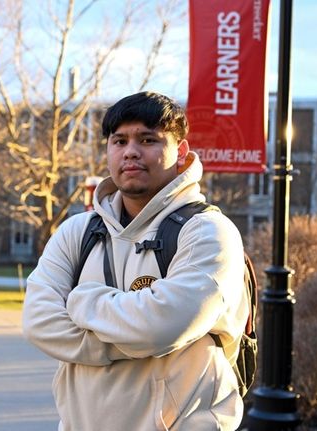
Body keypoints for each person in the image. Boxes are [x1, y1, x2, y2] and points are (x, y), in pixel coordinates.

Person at [22, 91, 248, 430]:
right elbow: (39, 323)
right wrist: (135, 335)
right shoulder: (77, 232)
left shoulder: (208, 232)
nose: (131, 151)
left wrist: (82, 301)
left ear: (180, 152)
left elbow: (165, 325)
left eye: (148, 139)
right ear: (108, 150)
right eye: (119, 140)